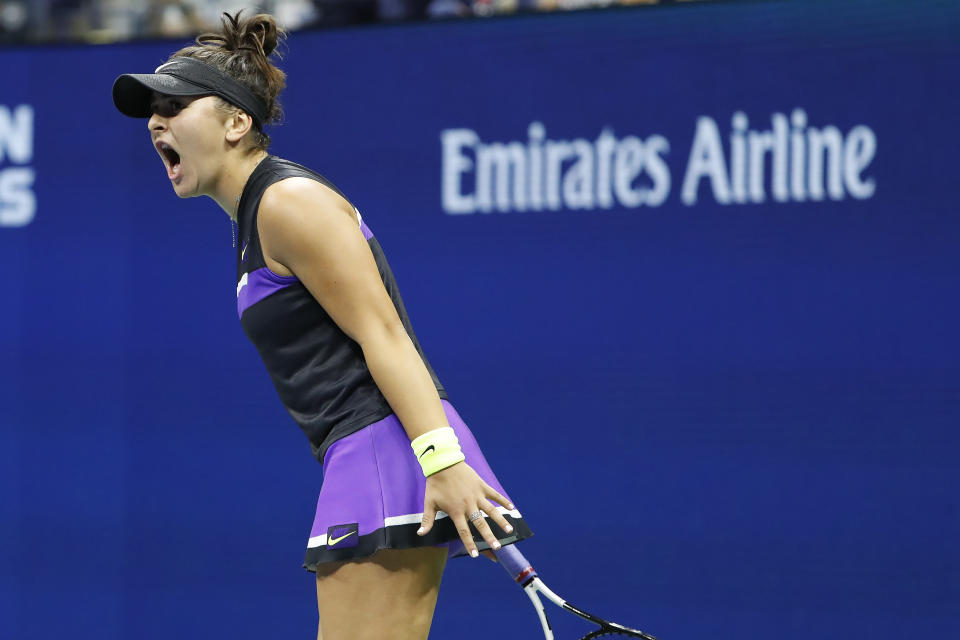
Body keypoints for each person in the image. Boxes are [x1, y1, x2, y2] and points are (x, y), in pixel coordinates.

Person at [111, 10, 532, 640]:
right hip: (373, 452)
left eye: (175, 104)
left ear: (235, 121)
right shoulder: (256, 215)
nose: (155, 120)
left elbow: (383, 334)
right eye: (153, 109)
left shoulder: (287, 203)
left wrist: (440, 461)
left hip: (392, 450)